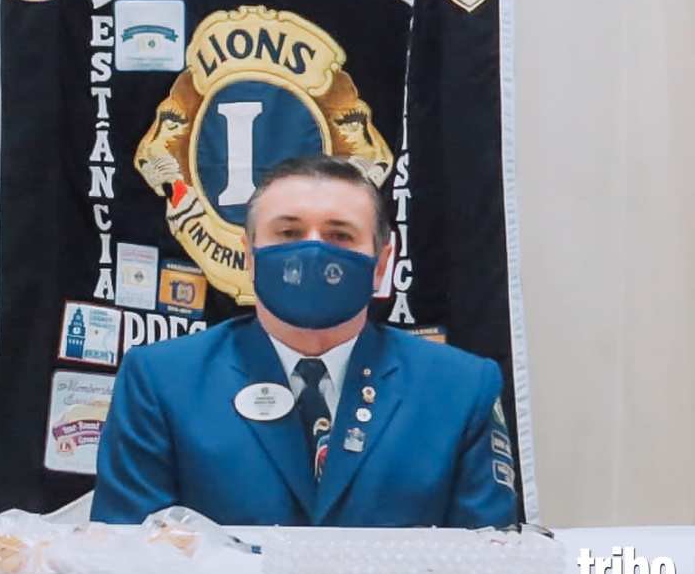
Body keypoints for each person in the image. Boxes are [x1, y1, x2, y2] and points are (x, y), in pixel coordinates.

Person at [91, 155, 516, 527]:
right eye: (289, 233)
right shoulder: (163, 380)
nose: (313, 252)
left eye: (340, 236)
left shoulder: (460, 387)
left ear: (381, 263)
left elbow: (490, 562)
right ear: (249, 256)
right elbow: (125, 560)